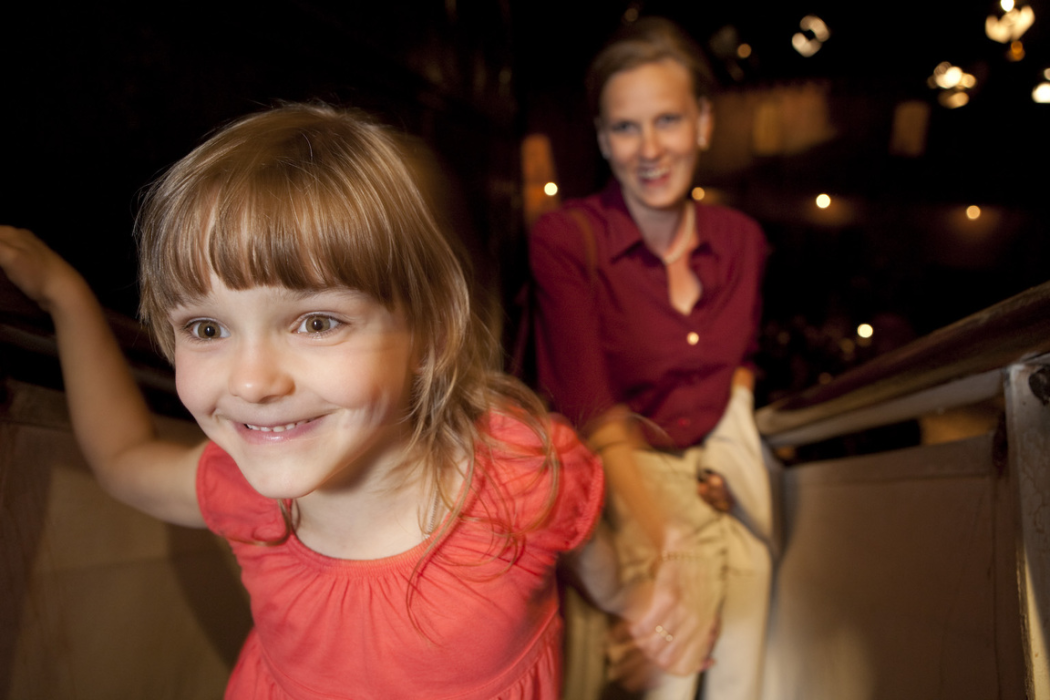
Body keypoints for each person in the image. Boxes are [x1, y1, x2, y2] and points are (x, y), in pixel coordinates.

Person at [0, 103, 631, 699]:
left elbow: (615, 583)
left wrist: (650, 613)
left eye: (317, 322)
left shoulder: (521, 472)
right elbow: (122, 458)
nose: (251, 383)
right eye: (207, 329)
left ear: (432, 335)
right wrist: (66, 297)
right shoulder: (249, 493)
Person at [529, 18, 773, 700]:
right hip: (618, 477)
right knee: (669, 641)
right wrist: (664, 533)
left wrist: (731, 455)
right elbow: (591, 413)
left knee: (747, 621)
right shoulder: (565, 237)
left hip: (712, 479)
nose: (650, 148)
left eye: (667, 119)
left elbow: (742, 364)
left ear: (702, 122)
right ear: (604, 140)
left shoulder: (743, 241)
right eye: (626, 128)